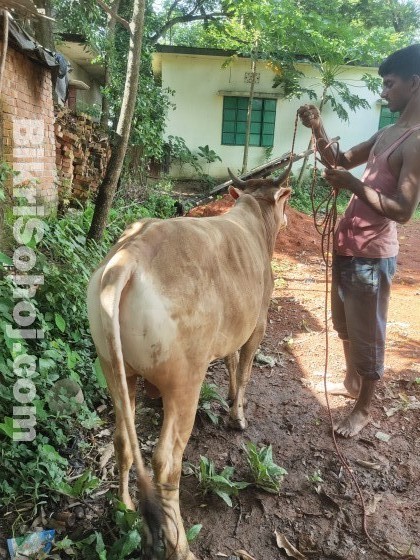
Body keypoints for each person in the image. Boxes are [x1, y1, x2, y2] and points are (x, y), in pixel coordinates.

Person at [297, 44, 420, 438]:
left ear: (414, 84)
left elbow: (403, 209)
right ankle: (354, 383)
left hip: (371, 256)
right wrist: (318, 128)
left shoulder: (416, 142)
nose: (383, 92)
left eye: (389, 83)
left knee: (368, 334)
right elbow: (340, 160)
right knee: (344, 325)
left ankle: (364, 408)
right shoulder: (387, 132)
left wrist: (352, 185)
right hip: (348, 247)